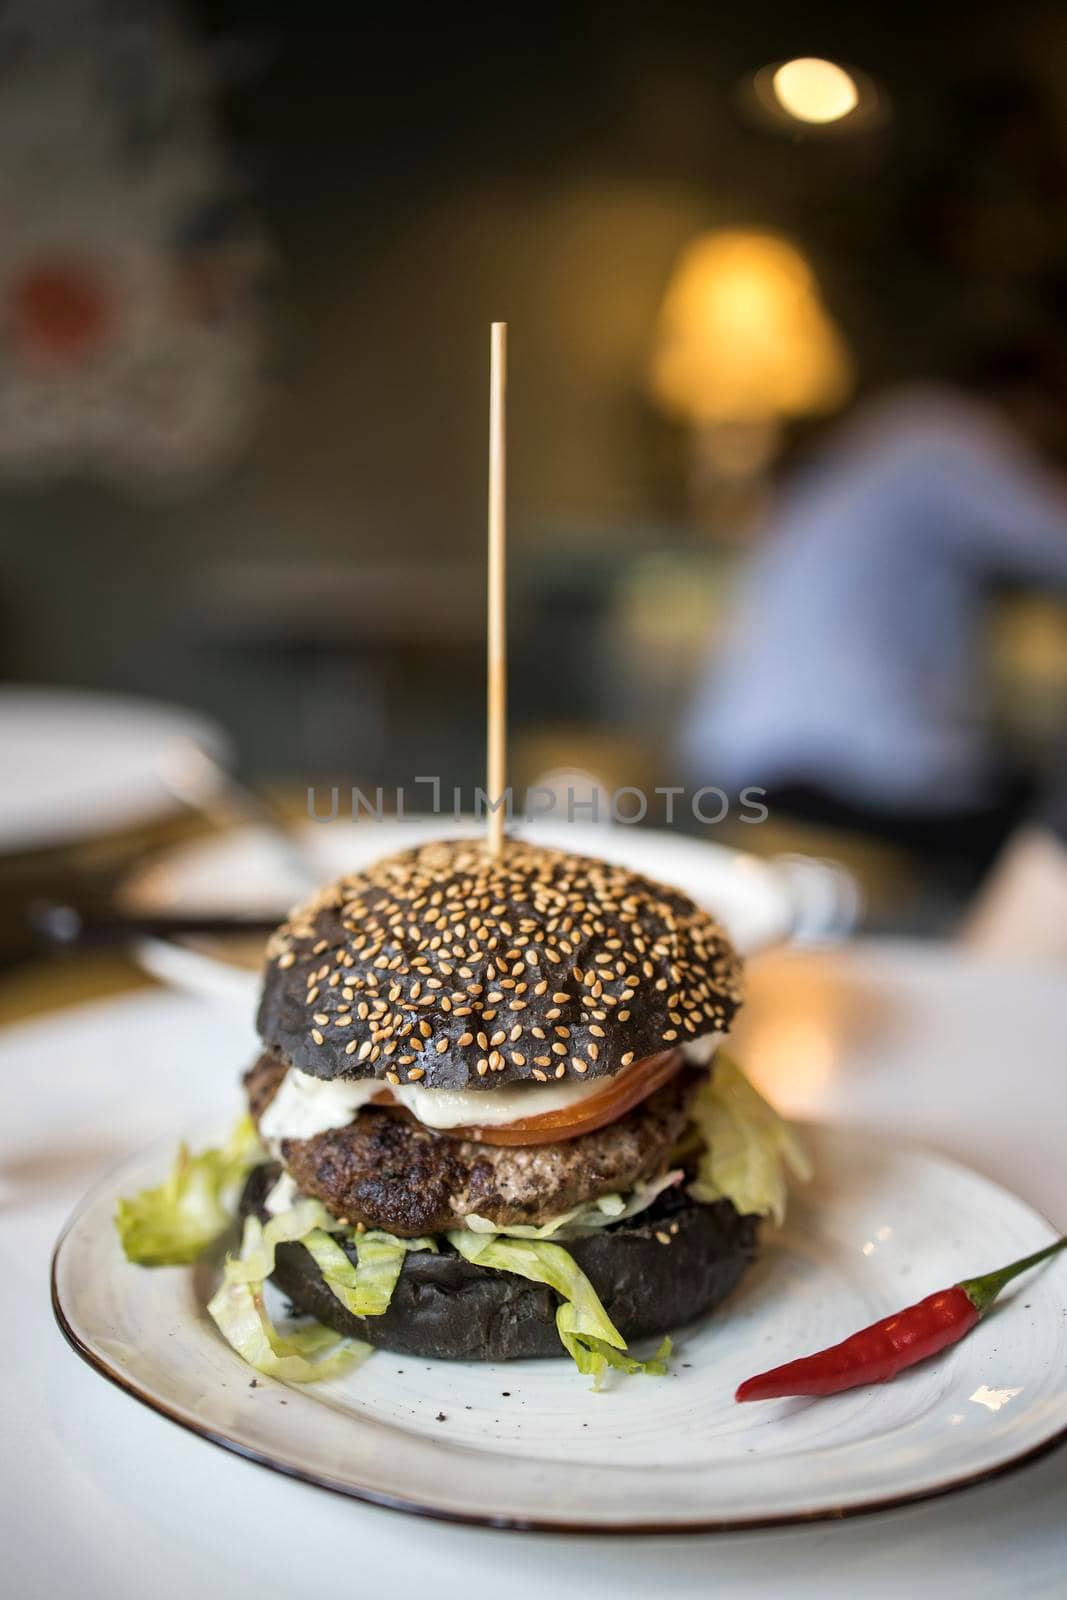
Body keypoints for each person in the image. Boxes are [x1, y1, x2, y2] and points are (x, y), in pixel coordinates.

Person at [680, 359, 1067, 889]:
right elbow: (1053, 541)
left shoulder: (872, 442)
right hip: (835, 773)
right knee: (1043, 831)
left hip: (743, 766)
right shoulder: (944, 435)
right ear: (1025, 403)